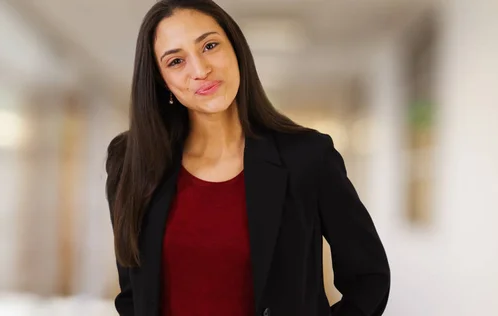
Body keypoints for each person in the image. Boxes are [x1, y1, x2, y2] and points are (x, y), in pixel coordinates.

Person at [105, 0, 390, 315]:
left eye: (210, 46)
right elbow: (133, 294)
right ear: (162, 80)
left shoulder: (307, 157)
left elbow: (368, 279)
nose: (200, 70)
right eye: (176, 61)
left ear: (236, 49)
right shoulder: (130, 161)